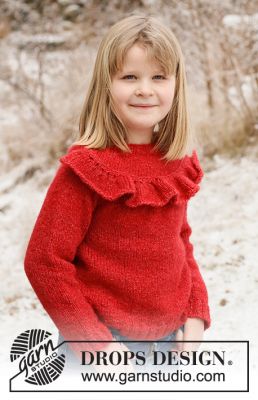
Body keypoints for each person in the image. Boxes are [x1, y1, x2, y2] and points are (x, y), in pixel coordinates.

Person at [24, 14, 211, 374]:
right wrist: (96, 343)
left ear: (176, 84)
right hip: (103, 346)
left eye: (159, 77)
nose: (145, 89)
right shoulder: (85, 168)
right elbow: (44, 260)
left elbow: (180, 241)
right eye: (130, 77)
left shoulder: (177, 161)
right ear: (105, 85)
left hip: (172, 346)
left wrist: (196, 311)